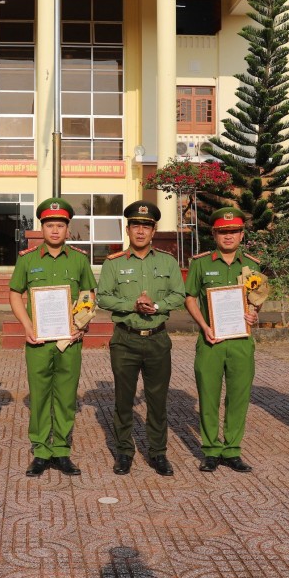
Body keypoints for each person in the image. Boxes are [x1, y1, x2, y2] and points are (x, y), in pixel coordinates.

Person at [96, 200, 186, 477]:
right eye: (136, 225)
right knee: (123, 400)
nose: (140, 231)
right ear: (128, 229)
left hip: (157, 339)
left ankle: (158, 453)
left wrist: (156, 306)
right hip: (126, 339)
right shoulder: (113, 263)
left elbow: (179, 295)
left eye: (146, 226)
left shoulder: (167, 262)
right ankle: (124, 452)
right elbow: (103, 297)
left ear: (154, 230)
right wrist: (132, 305)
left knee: (157, 400)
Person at [9, 198, 97, 477]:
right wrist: (26, 325)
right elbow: (14, 293)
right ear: (42, 227)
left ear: (68, 228)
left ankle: (60, 450)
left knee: (66, 396)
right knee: (39, 396)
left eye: (60, 225)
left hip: (68, 341)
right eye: (49, 225)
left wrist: (80, 326)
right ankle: (40, 451)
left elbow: (89, 296)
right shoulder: (28, 259)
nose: (55, 230)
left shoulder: (80, 260)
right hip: (38, 341)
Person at [184, 207, 260, 474]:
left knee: (239, 396)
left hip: (241, 341)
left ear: (242, 234)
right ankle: (210, 450)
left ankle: (232, 450)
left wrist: (254, 314)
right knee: (208, 396)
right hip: (211, 340)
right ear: (214, 234)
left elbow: (256, 300)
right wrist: (203, 325)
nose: (228, 236)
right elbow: (190, 297)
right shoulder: (201, 263)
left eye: (233, 231)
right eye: (223, 232)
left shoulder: (252, 264)